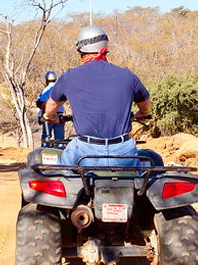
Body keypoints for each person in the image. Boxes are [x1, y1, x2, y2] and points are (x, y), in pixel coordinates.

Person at [43, 25, 151, 167]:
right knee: (151, 164)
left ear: (81, 50)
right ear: (105, 48)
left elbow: (51, 105)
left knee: (58, 173)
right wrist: (141, 114)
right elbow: (145, 104)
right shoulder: (127, 75)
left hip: (85, 151)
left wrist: (49, 116)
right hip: (123, 152)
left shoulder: (70, 76)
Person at [36, 71, 65, 147]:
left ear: (46, 79)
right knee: (60, 141)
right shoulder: (60, 88)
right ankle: (59, 156)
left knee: (46, 138)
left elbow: (43, 104)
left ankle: (45, 155)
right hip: (59, 115)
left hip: (48, 115)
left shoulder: (46, 90)